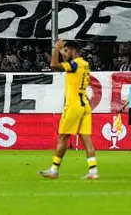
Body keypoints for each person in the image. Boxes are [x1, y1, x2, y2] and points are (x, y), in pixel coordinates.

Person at [40, 40, 98, 180]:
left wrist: (55, 48)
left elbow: (54, 65)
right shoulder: (85, 64)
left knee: (62, 137)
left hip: (73, 105)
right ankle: (93, 171)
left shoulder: (75, 64)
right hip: (85, 105)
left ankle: (54, 170)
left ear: (73, 51)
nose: (63, 54)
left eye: (66, 51)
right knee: (86, 138)